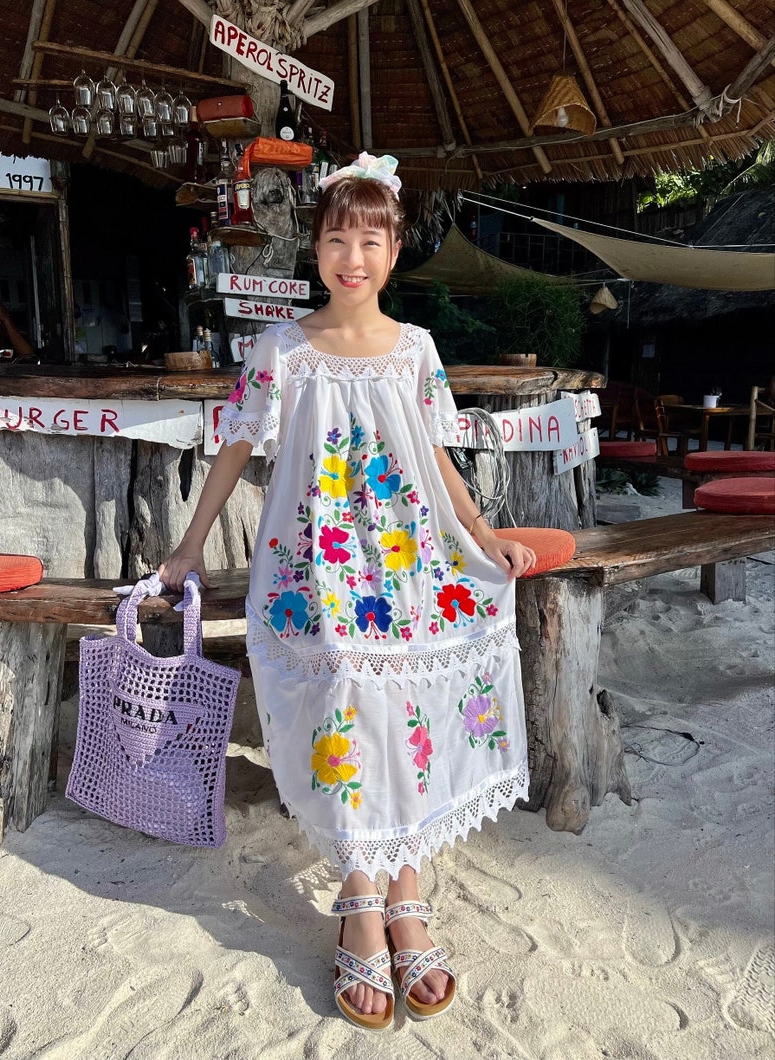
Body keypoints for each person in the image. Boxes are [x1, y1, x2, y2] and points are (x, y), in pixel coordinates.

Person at [159, 153, 536, 1032]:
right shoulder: (281, 349)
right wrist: (184, 549)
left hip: (409, 562)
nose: (352, 255)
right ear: (317, 249)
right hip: (314, 571)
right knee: (342, 703)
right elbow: (234, 450)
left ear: (395, 248)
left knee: (407, 703)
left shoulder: (417, 349)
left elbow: (438, 459)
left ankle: (408, 890)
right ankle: (362, 899)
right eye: (337, 237)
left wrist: (482, 537)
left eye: (371, 237)